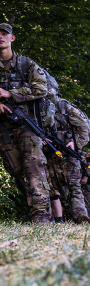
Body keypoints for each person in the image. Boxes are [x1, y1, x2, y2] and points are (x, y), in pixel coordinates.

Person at [0, 23, 52, 223]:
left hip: (27, 125)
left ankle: (42, 216)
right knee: (16, 171)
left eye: (4, 34)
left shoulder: (26, 65)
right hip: (3, 127)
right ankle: (32, 208)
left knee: (34, 166)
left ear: (12, 38)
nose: (0, 37)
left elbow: (42, 89)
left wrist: (12, 94)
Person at [44, 78, 90, 223]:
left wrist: (75, 144)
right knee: (53, 190)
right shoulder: (36, 109)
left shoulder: (64, 106)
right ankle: (59, 220)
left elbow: (85, 127)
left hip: (69, 153)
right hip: (49, 153)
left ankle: (81, 216)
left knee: (74, 185)